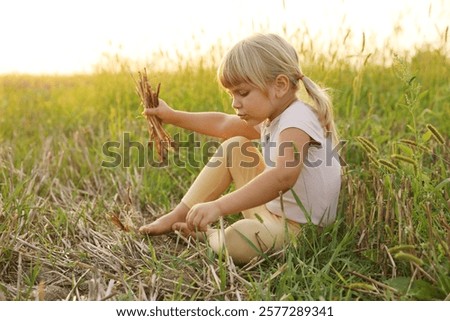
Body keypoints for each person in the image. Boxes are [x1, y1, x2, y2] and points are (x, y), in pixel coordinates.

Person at [139, 33, 341, 265]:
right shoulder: (272, 116)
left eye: (243, 93)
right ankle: (180, 214)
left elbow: (282, 177)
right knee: (234, 146)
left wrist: (219, 206)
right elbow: (223, 124)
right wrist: (172, 116)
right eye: (231, 94)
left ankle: (212, 236)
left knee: (239, 237)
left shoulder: (297, 119)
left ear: (280, 85)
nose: (235, 102)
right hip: (273, 214)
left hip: (300, 232)